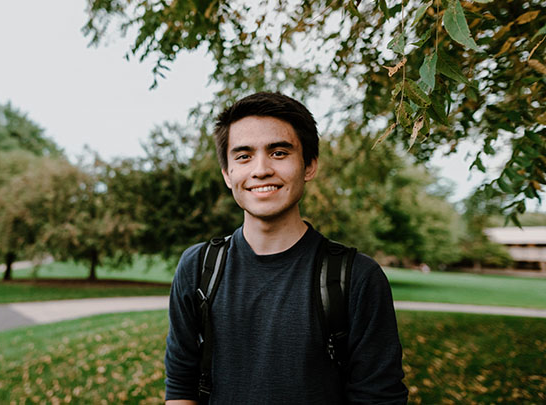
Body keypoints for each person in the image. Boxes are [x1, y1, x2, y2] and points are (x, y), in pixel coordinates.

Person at [164, 92, 408, 404]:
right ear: (227, 174)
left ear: (309, 166)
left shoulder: (357, 277)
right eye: (243, 156)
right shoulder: (198, 267)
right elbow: (181, 386)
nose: (261, 169)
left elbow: (379, 397)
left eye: (279, 153)